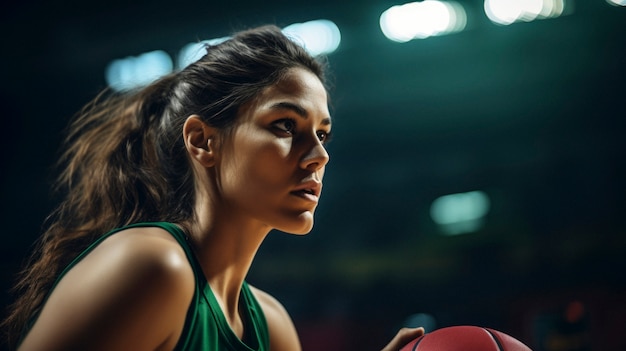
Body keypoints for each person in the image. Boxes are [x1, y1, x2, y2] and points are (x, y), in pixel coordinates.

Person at [2, 25, 423, 350]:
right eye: (285, 126)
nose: (319, 155)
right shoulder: (152, 267)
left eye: (322, 134)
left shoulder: (272, 325)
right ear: (203, 141)